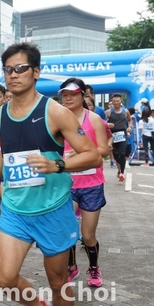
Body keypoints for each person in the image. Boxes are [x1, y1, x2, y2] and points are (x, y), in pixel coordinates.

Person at [0, 43, 101, 306]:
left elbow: (93, 155)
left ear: (36, 72)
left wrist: (57, 165)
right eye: (8, 69)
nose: (13, 75)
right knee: (5, 278)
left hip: (53, 208)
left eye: (21, 68)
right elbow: (8, 150)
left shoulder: (56, 112)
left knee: (58, 282)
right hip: (15, 209)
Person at [58, 78, 109, 288]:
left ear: (83, 95)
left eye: (73, 94)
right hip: (67, 184)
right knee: (68, 230)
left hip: (91, 184)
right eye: (65, 95)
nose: (68, 98)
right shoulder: (57, 119)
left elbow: (104, 150)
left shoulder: (94, 119)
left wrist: (82, 155)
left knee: (88, 235)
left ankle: (94, 267)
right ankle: (72, 267)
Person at [106, 94, 132, 181]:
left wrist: (130, 127)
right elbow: (103, 122)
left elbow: (130, 120)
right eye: (114, 101)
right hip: (112, 136)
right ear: (112, 102)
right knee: (116, 155)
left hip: (122, 135)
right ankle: (120, 169)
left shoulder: (125, 111)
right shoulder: (108, 112)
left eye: (118, 101)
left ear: (121, 101)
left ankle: (122, 173)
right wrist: (107, 126)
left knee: (122, 153)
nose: (116, 103)